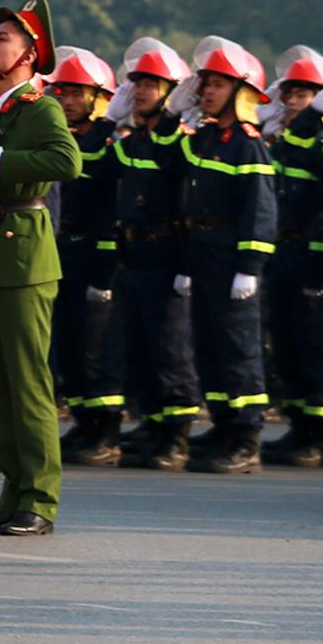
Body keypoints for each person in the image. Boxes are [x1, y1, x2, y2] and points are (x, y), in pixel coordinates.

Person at [0, 0, 84, 536]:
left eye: (2, 39)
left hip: (24, 254)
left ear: (29, 56)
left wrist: (6, 162)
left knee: (27, 383)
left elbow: (66, 161)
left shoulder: (40, 108)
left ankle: (38, 499)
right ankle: (11, 495)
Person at [168, 37, 280, 474]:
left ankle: (247, 437)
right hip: (202, 253)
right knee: (209, 345)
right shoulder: (204, 138)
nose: (207, 92)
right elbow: (165, 161)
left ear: (239, 92)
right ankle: (223, 425)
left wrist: (249, 268)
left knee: (239, 348)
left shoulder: (249, 145)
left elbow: (260, 210)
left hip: (231, 258)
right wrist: (172, 117)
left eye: (217, 85)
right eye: (206, 84)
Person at [106, 40, 197, 468]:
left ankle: (176, 436)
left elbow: (173, 172)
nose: (139, 92)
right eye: (137, 84)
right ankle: (153, 423)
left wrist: (186, 266)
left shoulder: (180, 140)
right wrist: (107, 124)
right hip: (135, 254)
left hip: (167, 254)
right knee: (140, 346)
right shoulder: (136, 140)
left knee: (170, 348)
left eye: (150, 85)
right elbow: (99, 167)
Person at [260, 48, 323, 465]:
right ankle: (297, 425)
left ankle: (319, 434)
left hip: (314, 256)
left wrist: (311, 120)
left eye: (304, 95)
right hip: (283, 252)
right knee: (287, 342)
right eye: (290, 94)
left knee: (317, 346)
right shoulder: (284, 143)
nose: (293, 101)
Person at [42, 48, 125, 462]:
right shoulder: (59, 139)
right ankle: (82, 421)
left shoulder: (107, 143)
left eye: (78, 93)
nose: (68, 101)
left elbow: (111, 209)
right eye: (62, 93)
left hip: (94, 254)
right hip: (62, 251)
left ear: (99, 98)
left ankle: (106, 433)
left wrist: (104, 273)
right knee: (69, 343)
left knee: (97, 347)